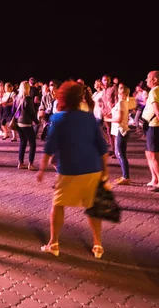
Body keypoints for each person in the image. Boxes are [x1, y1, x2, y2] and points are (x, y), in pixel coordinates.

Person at [36, 81, 109, 259]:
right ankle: (98, 245)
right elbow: (102, 147)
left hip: (69, 169)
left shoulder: (58, 118)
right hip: (92, 168)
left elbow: (50, 146)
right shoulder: (89, 117)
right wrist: (105, 171)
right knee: (92, 206)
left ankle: (53, 243)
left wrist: (42, 169)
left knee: (58, 204)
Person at [104, 85, 131, 185]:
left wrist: (107, 119)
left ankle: (126, 177)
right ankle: (125, 176)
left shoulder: (121, 103)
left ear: (121, 92)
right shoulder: (122, 102)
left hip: (121, 131)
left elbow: (119, 119)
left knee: (121, 154)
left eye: (119, 88)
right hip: (119, 131)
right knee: (118, 153)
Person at [14, 81, 40, 170]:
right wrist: (36, 121)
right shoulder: (28, 99)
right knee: (32, 143)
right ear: (27, 88)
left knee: (23, 142)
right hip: (26, 123)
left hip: (18, 123)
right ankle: (30, 164)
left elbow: (13, 110)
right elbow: (31, 113)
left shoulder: (17, 98)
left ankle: (20, 163)